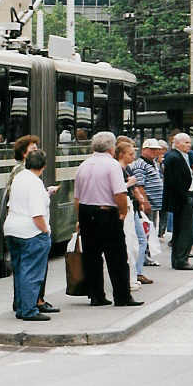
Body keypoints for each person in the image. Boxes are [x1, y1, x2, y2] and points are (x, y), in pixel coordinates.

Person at [74, 131, 142, 307]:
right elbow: (119, 193)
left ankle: (96, 295)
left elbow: (77, 198)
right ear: (112, 148)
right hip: (107, 212)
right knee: (117, 257)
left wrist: (79, 219)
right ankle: (122, 296)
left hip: (86, 212)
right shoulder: (112, 165)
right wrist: (122, 212)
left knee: (92, 256)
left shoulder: (83, 165)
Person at [5, 135, 59, 314]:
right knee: (32, 273)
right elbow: (37, 214)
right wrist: (46, 230)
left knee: (20, 271)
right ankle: (29, 310)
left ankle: (21, 307)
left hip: (12, 230)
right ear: (43, 167)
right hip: (30, 233)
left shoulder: (19, 177)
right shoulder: (35, 183)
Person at [163, 133, 193, 269]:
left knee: (183, 230)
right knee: (184, 231)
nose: (188, 145)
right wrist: (185, 197)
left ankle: (180, 259)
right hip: (182, 199)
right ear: (176, 143)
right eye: (185, 143)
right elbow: (175, 182)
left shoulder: (183, 156)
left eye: (189, 142)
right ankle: (181, 260)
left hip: (186, 198)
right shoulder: (174, 157)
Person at [115, 138, 147, 291]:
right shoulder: (118, 169)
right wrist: (129, 184)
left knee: (135, 241)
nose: (133, 157)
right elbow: (117, 191)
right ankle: (132, 276)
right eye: (131, 154)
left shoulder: (126, 169)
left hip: (130, 208)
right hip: (125, 209)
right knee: (133, 242)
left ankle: (134, 275)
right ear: (121, 154)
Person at [131, 139, 164, 271]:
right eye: (152, 150)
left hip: (154, 203)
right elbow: (139, 185)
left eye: (156, 150)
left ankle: (147, 255)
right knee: (145, 230)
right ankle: (144, 257)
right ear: (144, 150)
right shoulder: (140, 164)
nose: (155, 152)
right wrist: (144, 202)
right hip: (148, 203)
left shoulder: (153, 163)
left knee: (150, 229)